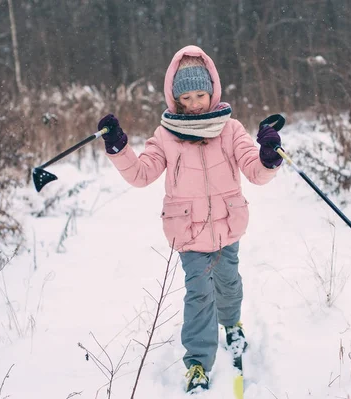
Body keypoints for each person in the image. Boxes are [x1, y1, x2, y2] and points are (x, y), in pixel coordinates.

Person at [97, 45, 283, 393]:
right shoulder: (166, 135)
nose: (196, 102)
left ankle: (232, 325)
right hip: (188, 233)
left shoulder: (230, 129)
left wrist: (269, 156)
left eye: (201, 93)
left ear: (212, 90)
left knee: (228, 284)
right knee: (199, 295)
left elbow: (256, 172)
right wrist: (119, 147)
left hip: (228, 226)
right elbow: (140, 175)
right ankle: (198, 363)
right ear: (175, 97)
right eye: (187, 96)